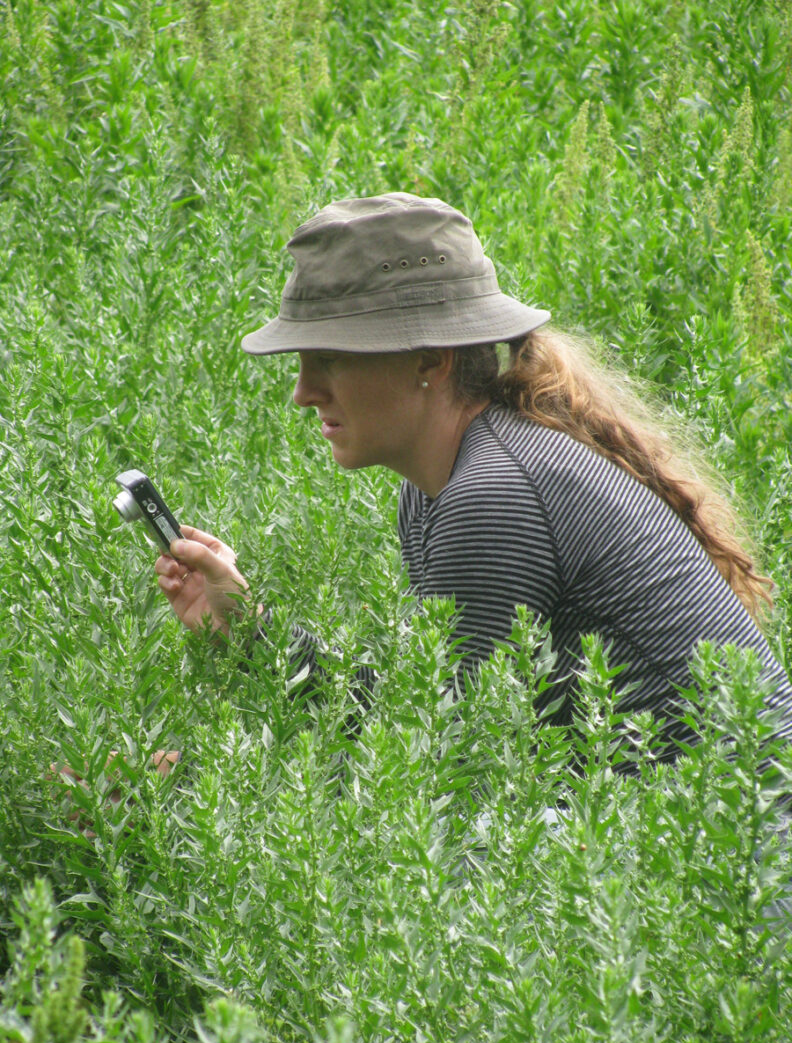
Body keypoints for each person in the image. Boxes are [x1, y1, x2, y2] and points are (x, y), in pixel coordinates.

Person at [154, 192, 792, 758]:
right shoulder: (443, 484)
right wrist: (249, 626)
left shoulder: (494, 495)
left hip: (744, 866)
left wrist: (193, 782)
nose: (303, 392)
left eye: (329, 360)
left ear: (430, 358)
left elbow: (447, 764)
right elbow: (436, 716)